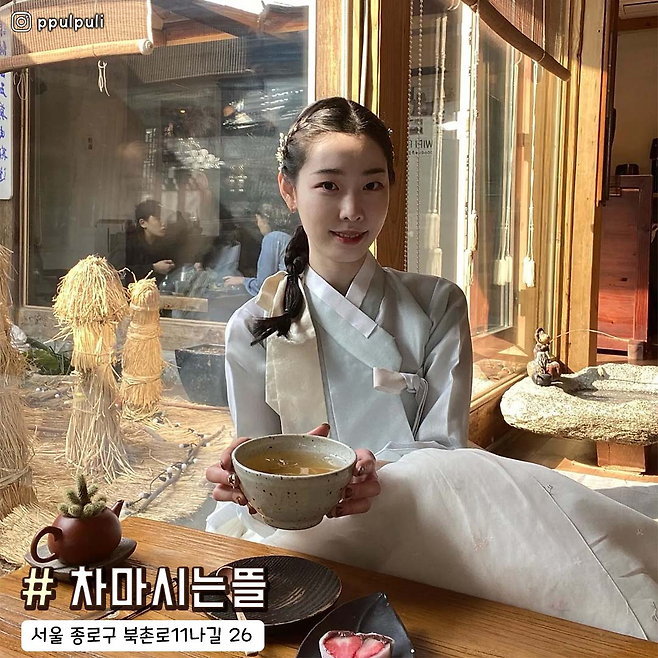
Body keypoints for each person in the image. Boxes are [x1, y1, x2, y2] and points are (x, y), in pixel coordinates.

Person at [205, 98, 657, 640]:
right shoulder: (254, 325)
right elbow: (258, 460)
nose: (353, 210)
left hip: (423, 510)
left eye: (372, 185)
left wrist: (372, 477)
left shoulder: (437, 302)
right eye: (328, 186)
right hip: (306, 533)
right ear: (289, 189)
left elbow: (444, 449)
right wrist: (242, 484)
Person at [223, 204, 294, 296]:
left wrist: (242, 281)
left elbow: (263, 286)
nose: (258, 225)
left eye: (258, 220)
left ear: (265, 220)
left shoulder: (273, 238)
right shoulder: (288, 237)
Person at [125, 200, 175, 285]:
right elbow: (119, 272)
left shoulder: (164, 244)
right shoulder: (127, 244)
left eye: (164, 219)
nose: (164, 223)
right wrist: (154, 268)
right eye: (158, 219)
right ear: (143, 223)